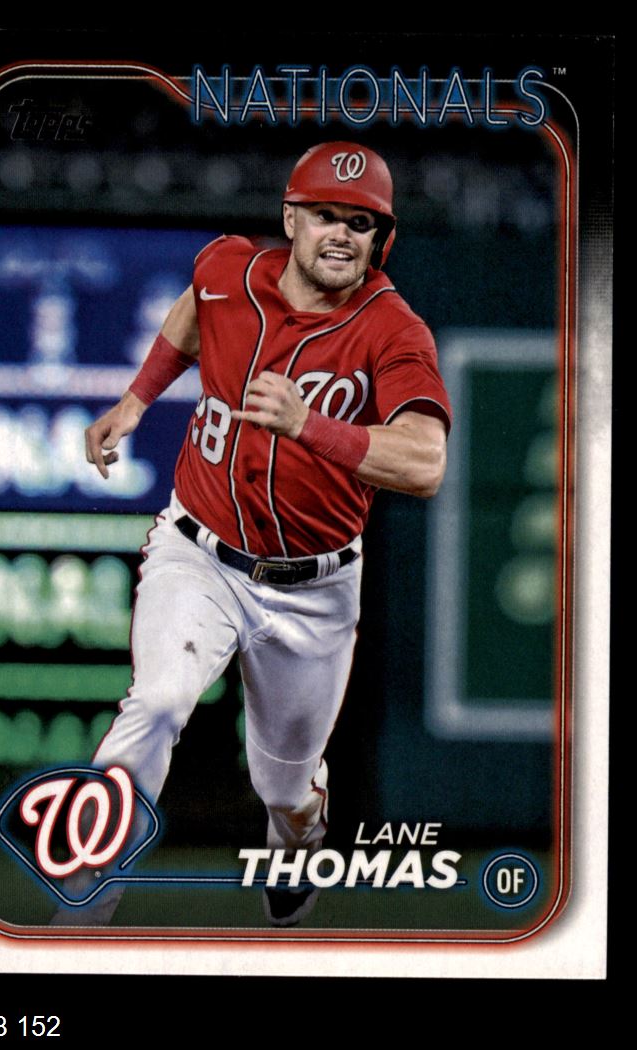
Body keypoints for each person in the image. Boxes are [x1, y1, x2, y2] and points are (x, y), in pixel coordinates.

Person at [77, 141, 452, 928]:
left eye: (361, 222)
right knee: (158, 702)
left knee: (282, 784)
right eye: (325, 215)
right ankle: (83, 906)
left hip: (315, 588)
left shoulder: (393, 330)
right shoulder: (230, 269)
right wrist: (137, 399)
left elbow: (425, 463)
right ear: (291, 219)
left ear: (381, 238)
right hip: (198, 551)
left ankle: (300, 831)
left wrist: (310, 425)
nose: (341, 234)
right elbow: (195, 308)